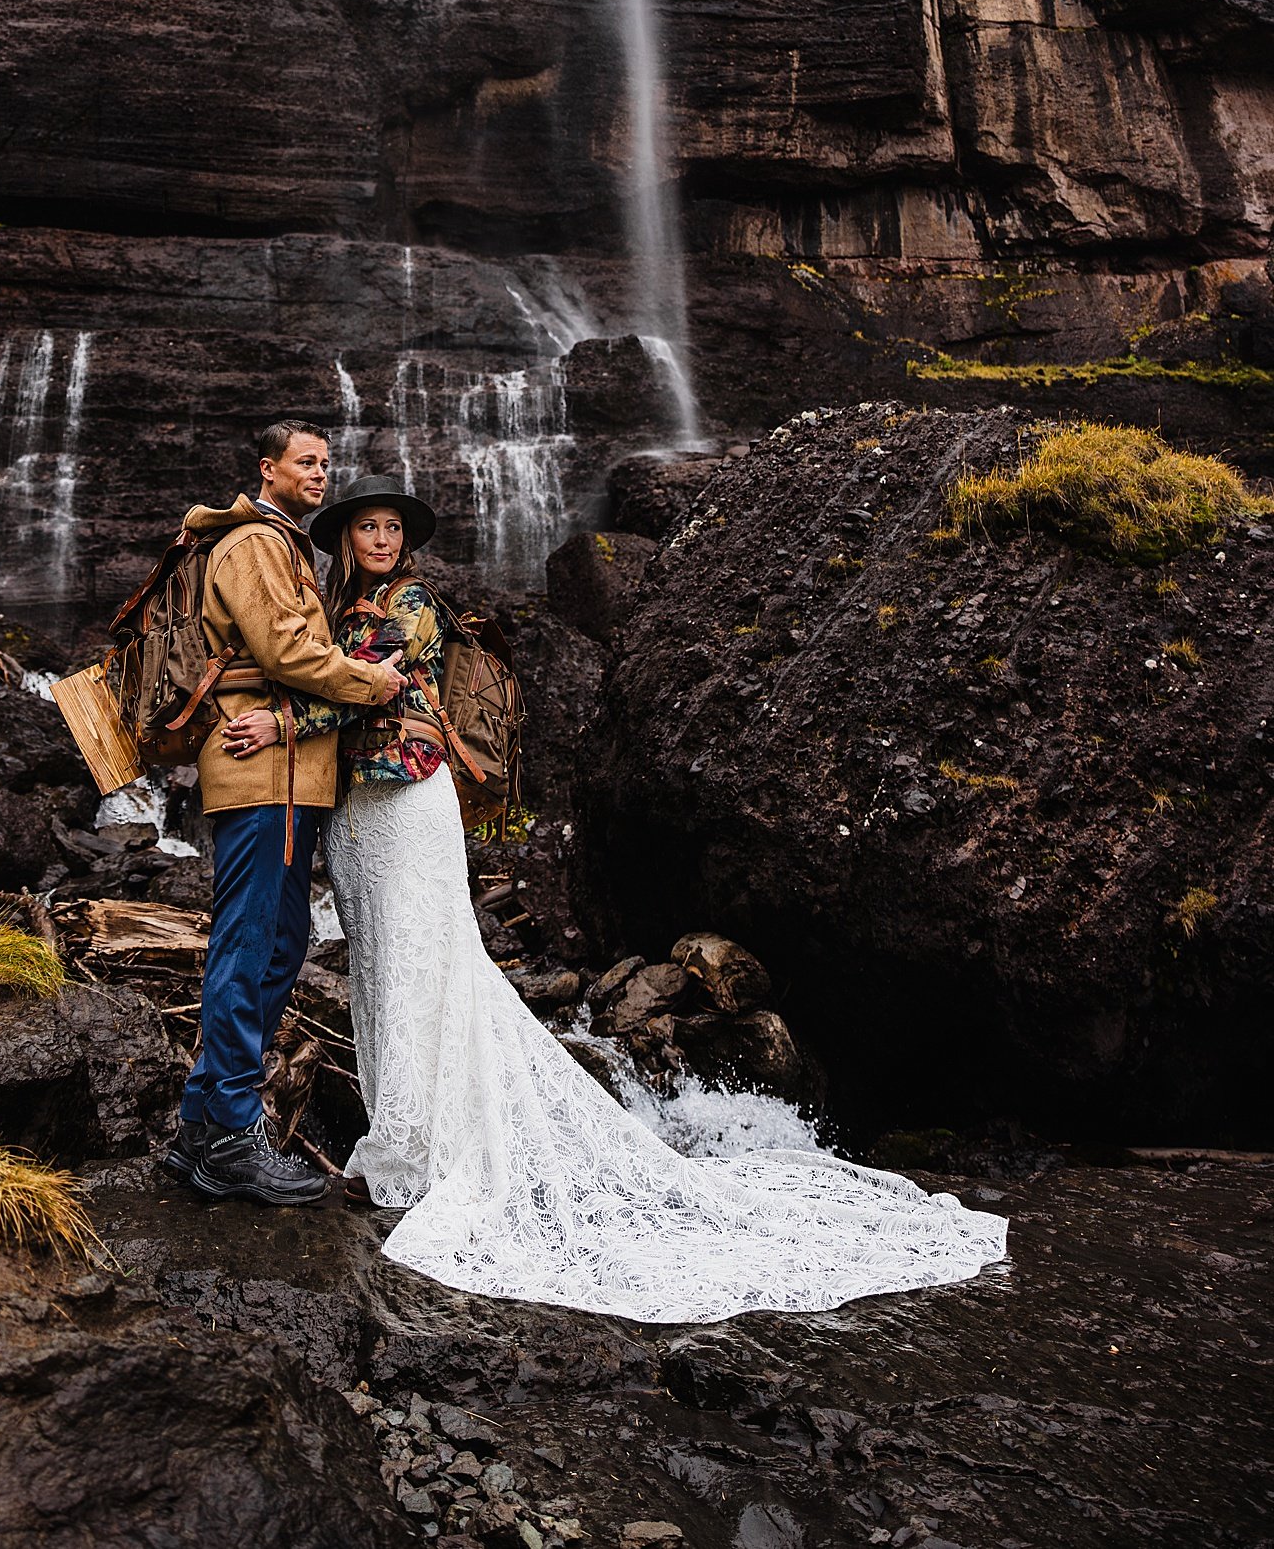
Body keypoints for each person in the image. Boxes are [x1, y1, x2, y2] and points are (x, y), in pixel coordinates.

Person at [257, 469, 1011, 1324]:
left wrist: (275, 725)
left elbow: (368, 685)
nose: (383, 540)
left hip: (406, 806)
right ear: (347, 540)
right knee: (384, 968)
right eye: (368, 529)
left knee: (428, 962)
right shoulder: (338, 610)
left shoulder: (414, 603)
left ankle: (419, 1148)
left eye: (393, 526)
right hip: (357, 811)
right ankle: (400, 1137)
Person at [168, 421, 404, 1208]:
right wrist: (374, 683)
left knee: (279, 938)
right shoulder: (256, 544)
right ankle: (234, 1132)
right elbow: (287, 654)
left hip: (291, 772)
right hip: (260, 771)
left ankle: (202, 1124)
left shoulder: (285, 544)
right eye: (306, 462)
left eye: (325, 464)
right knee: (252, 937)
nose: (319, 473)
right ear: (267, 469)